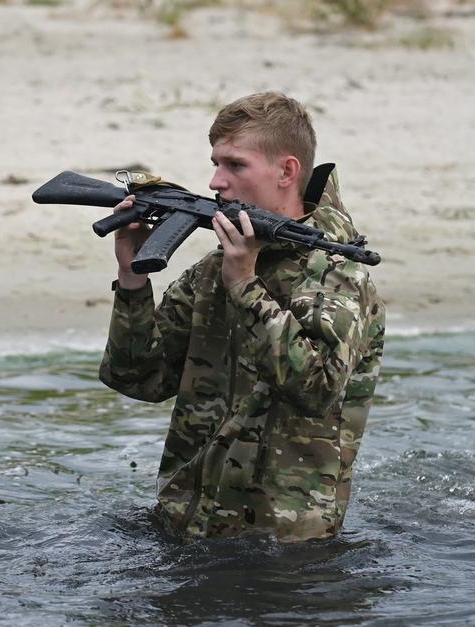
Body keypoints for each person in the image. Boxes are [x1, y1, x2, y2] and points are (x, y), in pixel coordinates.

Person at [99, 92, 385, 541]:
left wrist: (246, 288)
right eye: (215, 163)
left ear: (287, 171)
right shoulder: (214, 270)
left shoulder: (338, 276)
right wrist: (131, 278)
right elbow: (139, 379)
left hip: (285, 550)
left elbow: (318, 390)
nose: (215, 181)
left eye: (235, 165)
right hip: (185, 525)